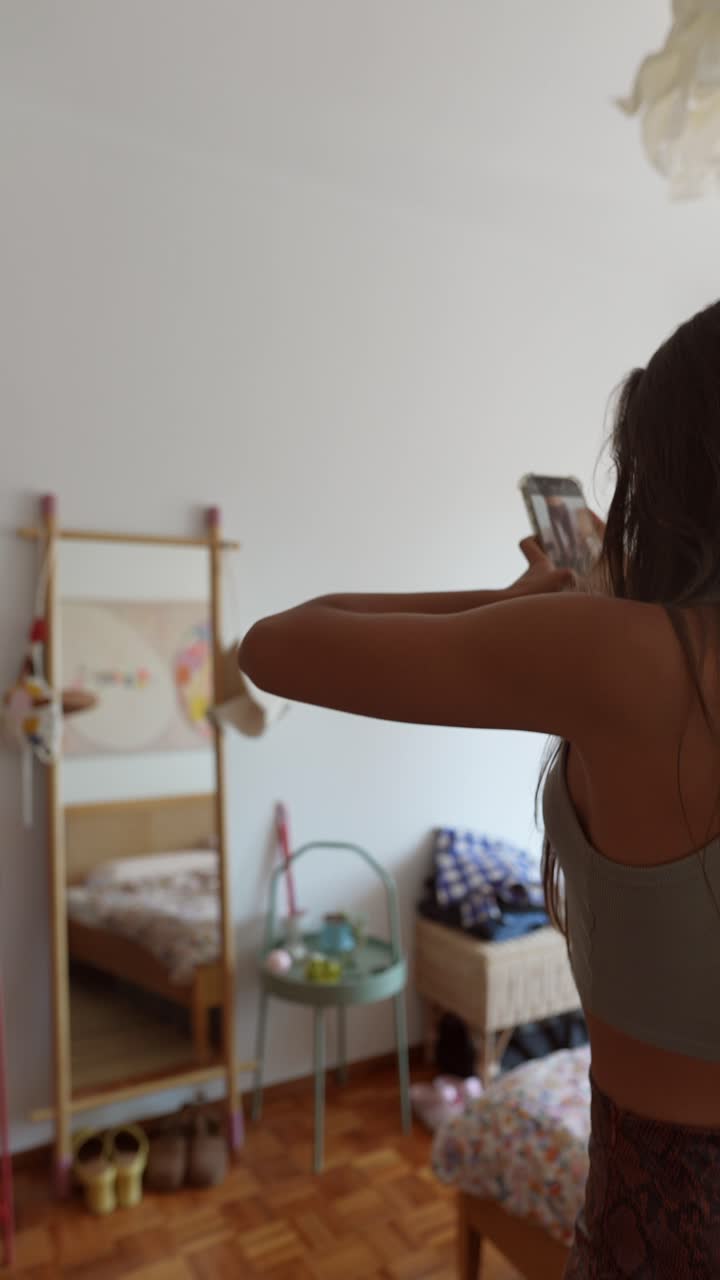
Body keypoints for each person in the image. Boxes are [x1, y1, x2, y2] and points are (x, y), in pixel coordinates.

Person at [239, 300, 720, 1276]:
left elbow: (277, 641)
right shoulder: (638, 649)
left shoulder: (634, 658)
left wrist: (516, 607)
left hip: (665, 1217)